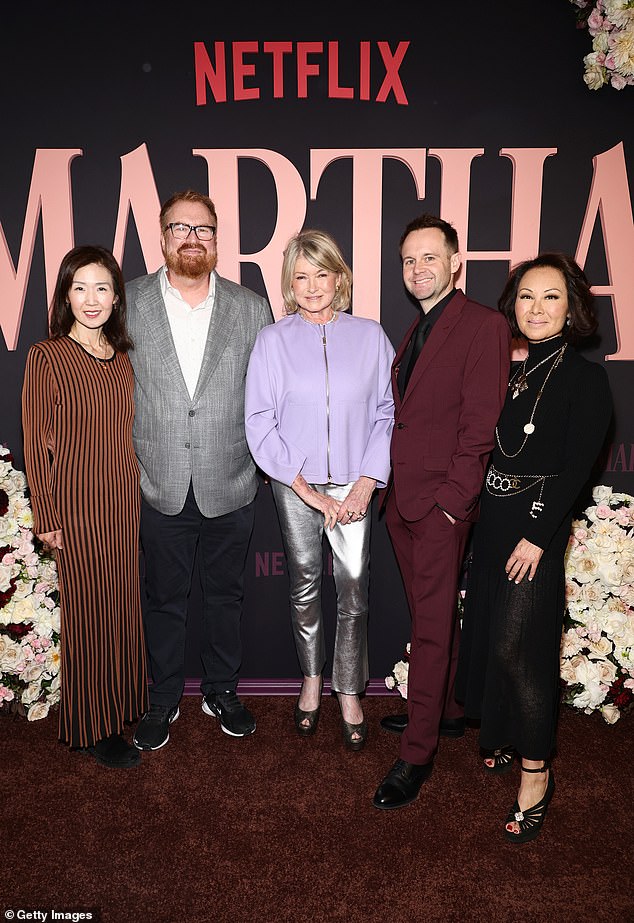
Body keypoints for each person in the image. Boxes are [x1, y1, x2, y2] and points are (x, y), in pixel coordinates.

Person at [456, 253, 612, 843]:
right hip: (495, 517)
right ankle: (500, 732)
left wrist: (538, 535)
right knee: (493, 635)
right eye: (526, 296)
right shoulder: (516, 369)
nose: (537, 308)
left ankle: (536, 771)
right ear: (512, 306)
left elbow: (575, 468)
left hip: (533, 527)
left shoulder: (584, 377)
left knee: (520, 647)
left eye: (551, 297)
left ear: (571, 308)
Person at [373, 214, 511, 809]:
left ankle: (417, 753)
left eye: (430, 257)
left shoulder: (483, 326)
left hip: (438, 507)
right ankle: (448, 710)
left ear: (457, 261)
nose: (417, 269)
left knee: (429, 629)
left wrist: (452, 505)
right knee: (428, 619)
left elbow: (481, 427)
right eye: (408, 260)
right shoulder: (417, 328)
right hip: (403, 502)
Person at [127, 189, 273, 751]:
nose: (192, 238)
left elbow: (266, 395)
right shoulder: (130, 300)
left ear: (217, 238)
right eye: (180, 228)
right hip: (158, 481)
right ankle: (162, 699)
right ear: (162, 237)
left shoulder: (250, 306)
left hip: (231, 481)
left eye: (203, 229)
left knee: (225, 598)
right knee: (162, 600)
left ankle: (221, 690)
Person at [245, 229, 395, 750]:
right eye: (300, 276)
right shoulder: (272, 341)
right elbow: (260, 421)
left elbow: (387, 412)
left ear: (340, 277)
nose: (312, 286)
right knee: (305, 583)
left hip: (356, 485)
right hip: (295, 484)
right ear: (289, 283)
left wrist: (366, 483)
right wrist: (307, 490)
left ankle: (349, 687)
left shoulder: (372, 336)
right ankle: (311, 679)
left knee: (354, 587)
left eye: (321, 273)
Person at [21, 245, 147, 769]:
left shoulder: (121, 362)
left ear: (116, 298)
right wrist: (47, 518)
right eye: (80, 288)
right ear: (65, 296)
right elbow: (36, 443)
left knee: (121, 607)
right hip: (75, 508)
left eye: (101, 288)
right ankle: (92, 726)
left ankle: (121, 709)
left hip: (123, 504)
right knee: (88, 614)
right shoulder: (47, 357)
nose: (91, 299)